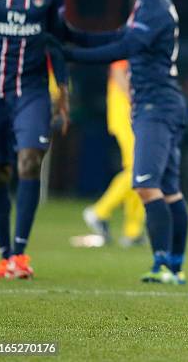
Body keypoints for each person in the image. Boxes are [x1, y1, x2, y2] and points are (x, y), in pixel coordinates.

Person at [62, 0, 188, 284]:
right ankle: (174, 265)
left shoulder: (154, 6)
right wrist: (74, 36)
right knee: (168, 188)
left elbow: (126, 47)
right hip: (160, 103)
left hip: (155, 105)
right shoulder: (146, 2)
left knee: (146, 184)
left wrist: (71, 56)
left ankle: (164, 264)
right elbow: (119, 37)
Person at [0, 0, 70, 279]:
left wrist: (63, 89)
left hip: (33, 91)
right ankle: (5, 253)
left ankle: (20, 254)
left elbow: (56, 40)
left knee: (28, 162)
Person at [82, 60, 145, 247]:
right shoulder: (135, 33)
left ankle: (133, 231)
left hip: (132, 112)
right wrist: (134, 102)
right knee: (139, 169)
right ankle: (99, 211)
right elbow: (118, 71)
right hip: (127, 112)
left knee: (139, 171)